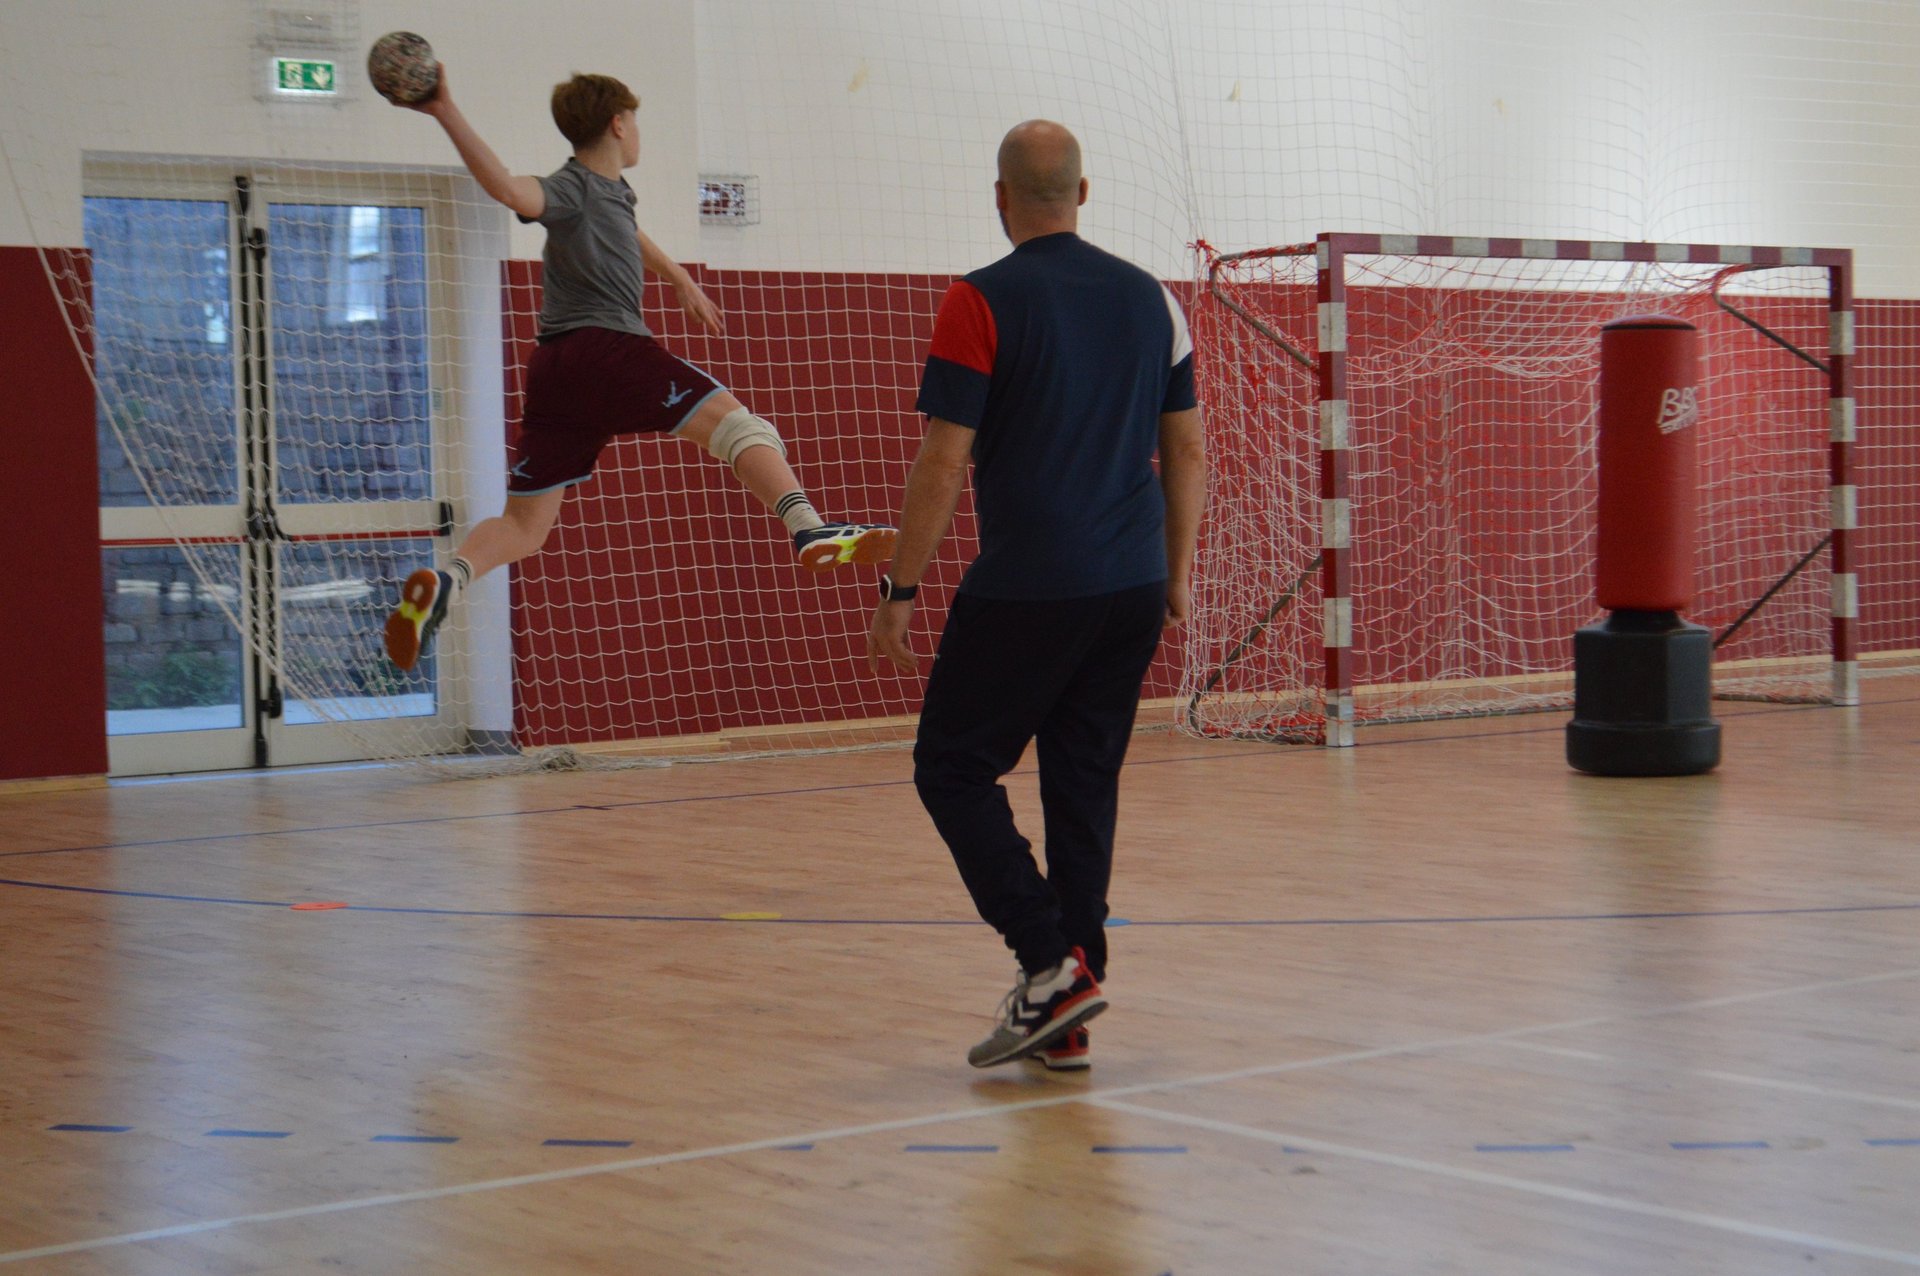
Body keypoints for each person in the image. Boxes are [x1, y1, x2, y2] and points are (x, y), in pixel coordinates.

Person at [866, 121, 1207, 1069]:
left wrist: (902, 587)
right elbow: (1186, 448)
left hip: (1031, 587)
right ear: (1083, 193)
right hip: (1133, 584)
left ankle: (1048, 962)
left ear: (1001, 196)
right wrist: (1177, 573)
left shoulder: (980, 297)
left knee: (951, 769)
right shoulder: (1154, 300)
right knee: (1081, 787)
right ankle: (1068, 1010)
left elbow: (944, 459)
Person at [384, 66, 895, 670]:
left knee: (525, 526)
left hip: (553, 371)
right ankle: (809, 528)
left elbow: (629, 230)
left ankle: (450, 578)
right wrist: (444, 108)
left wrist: (678, 278)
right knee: (740, 428)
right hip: (609, 353)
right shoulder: (571, 188)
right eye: (636, 121)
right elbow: (510, 191)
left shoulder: (611, 194)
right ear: (619, 124)